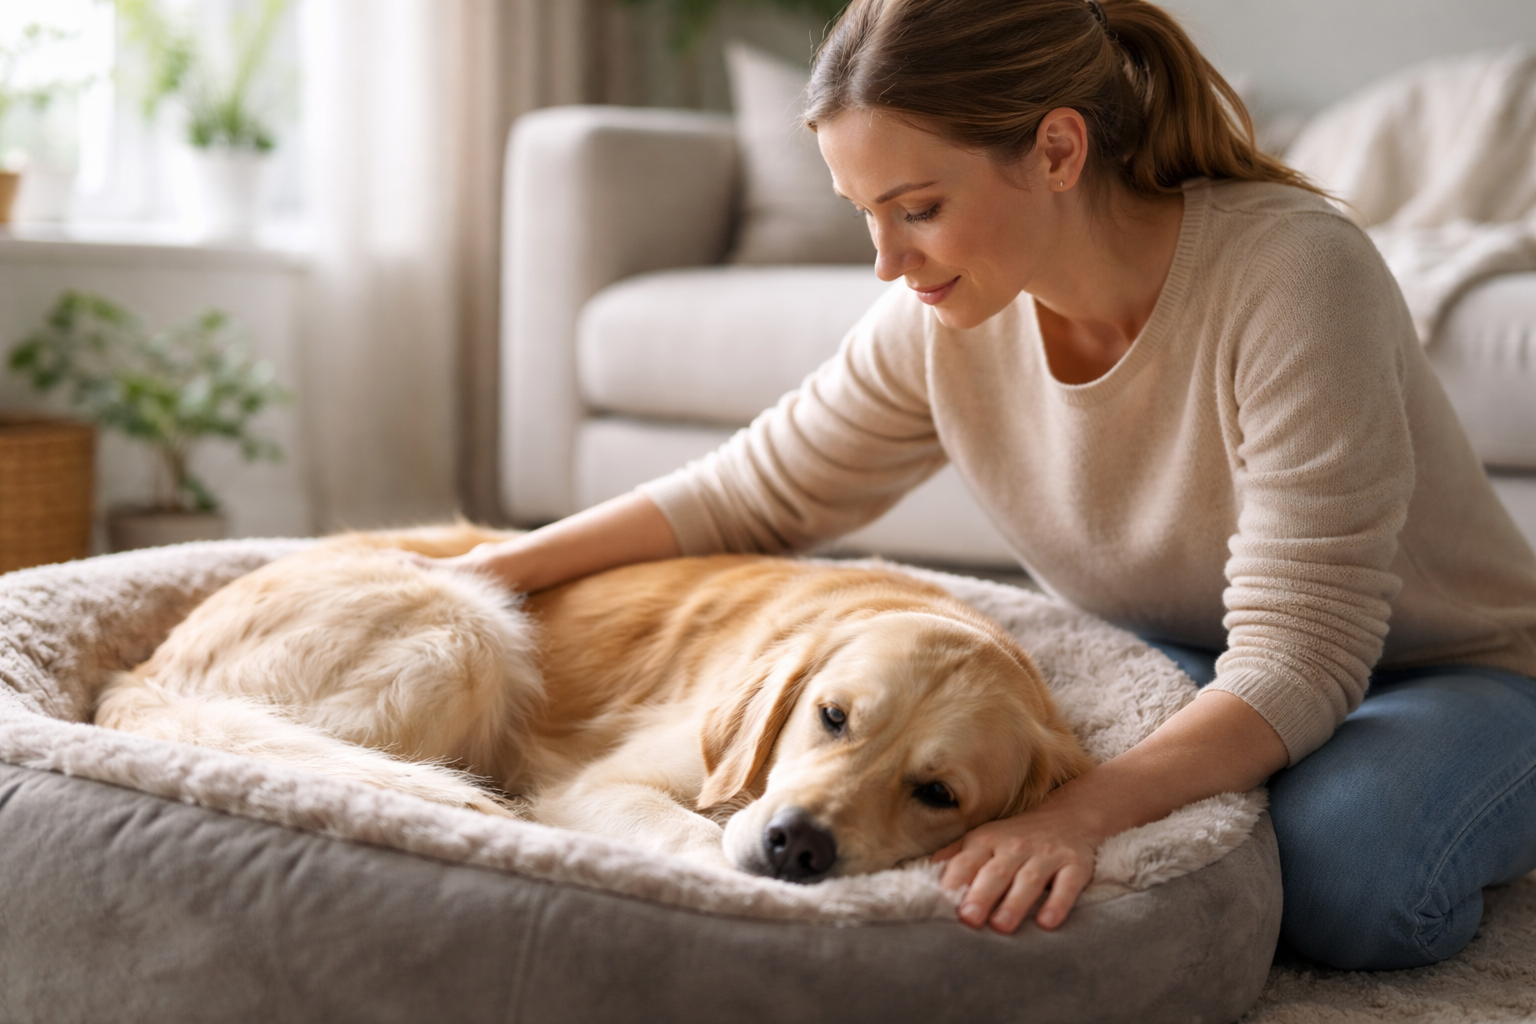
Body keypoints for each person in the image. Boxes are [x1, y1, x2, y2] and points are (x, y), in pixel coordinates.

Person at [443, 0, 1536, 971]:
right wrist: (487, 574)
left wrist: (1076, 815)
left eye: (916, 207)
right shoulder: (942, 318)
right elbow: (751, 491)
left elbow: (1304, 652)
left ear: (1058, 149)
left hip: (1443, 664)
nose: (886, 260)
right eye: (862, 211)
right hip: (1183, 651)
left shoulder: (1293, 275)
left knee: (1344, 876)